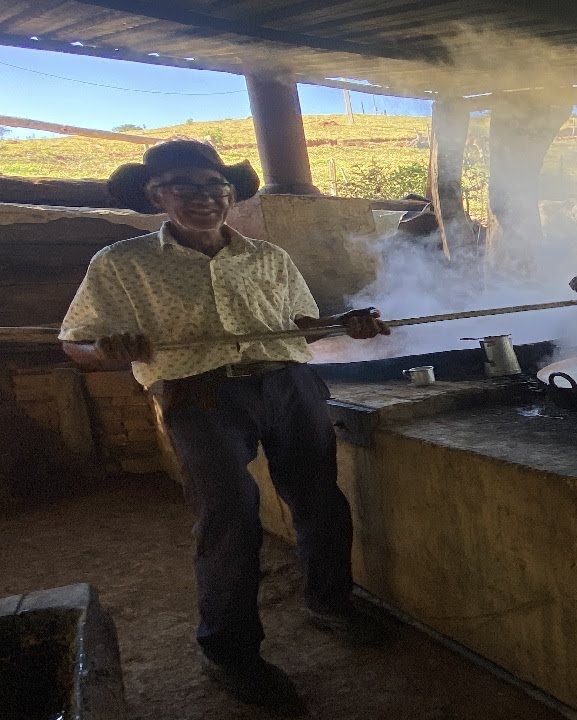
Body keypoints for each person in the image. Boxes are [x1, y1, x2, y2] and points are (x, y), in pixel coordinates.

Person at [59, 140, 388, 714]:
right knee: (229, 515)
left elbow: (299, 325)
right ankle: (230, 653)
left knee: (319, 499)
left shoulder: (266, 257)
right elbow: (73, 341)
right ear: (157, 194)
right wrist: (107, 350)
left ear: (231, 195)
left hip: (288, 381)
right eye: (185, 187)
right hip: (200, 393)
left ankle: (330, 602)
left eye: (217, 188)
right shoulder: (121, 262)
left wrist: (344, 324)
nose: (205, 199)